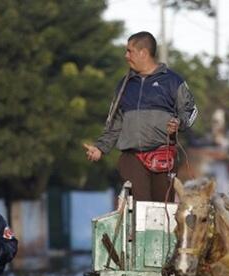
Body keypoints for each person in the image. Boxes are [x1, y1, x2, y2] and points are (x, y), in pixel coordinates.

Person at [83, 31, 198, 202]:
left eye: (130, 51)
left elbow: (191, 111)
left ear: (143, 52)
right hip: (132, 157)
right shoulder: (124, 84)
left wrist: (179, 123)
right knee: (141, 207)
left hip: (163, 157)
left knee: (160, 210)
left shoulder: (173, 81)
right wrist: (100, 148)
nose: (126, 56)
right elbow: (114, 121)